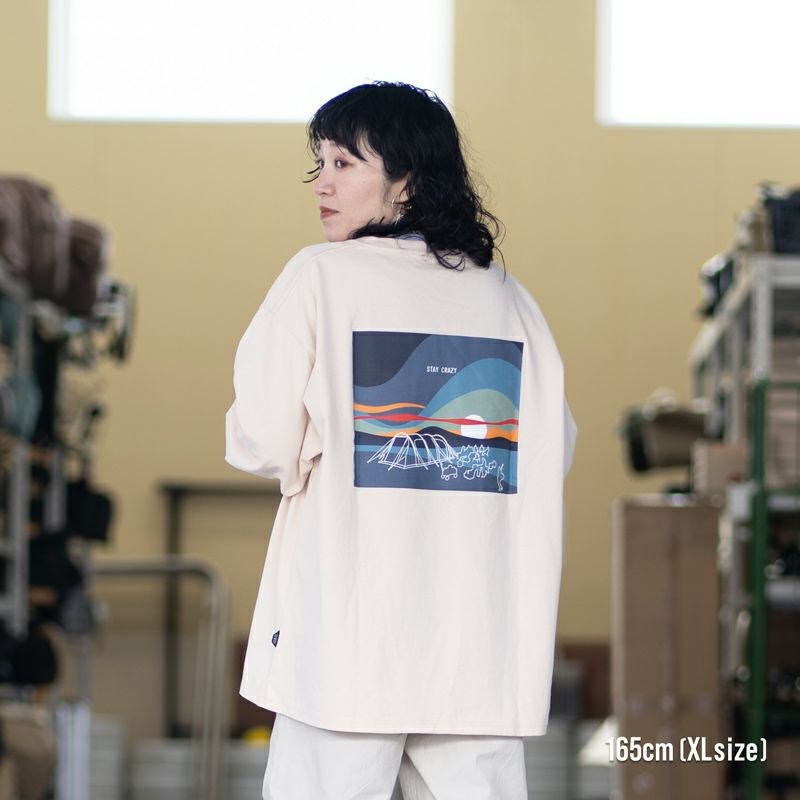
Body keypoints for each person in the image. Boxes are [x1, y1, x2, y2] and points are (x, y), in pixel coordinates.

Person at [225, 81, 577, 800]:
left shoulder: (320, 278)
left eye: (344, 163)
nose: (322, 185)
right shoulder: (510, 300)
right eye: (319, 165)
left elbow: (260, 439)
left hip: (347, 644)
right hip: (477, 648)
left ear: (406, 181)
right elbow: (554, 450)